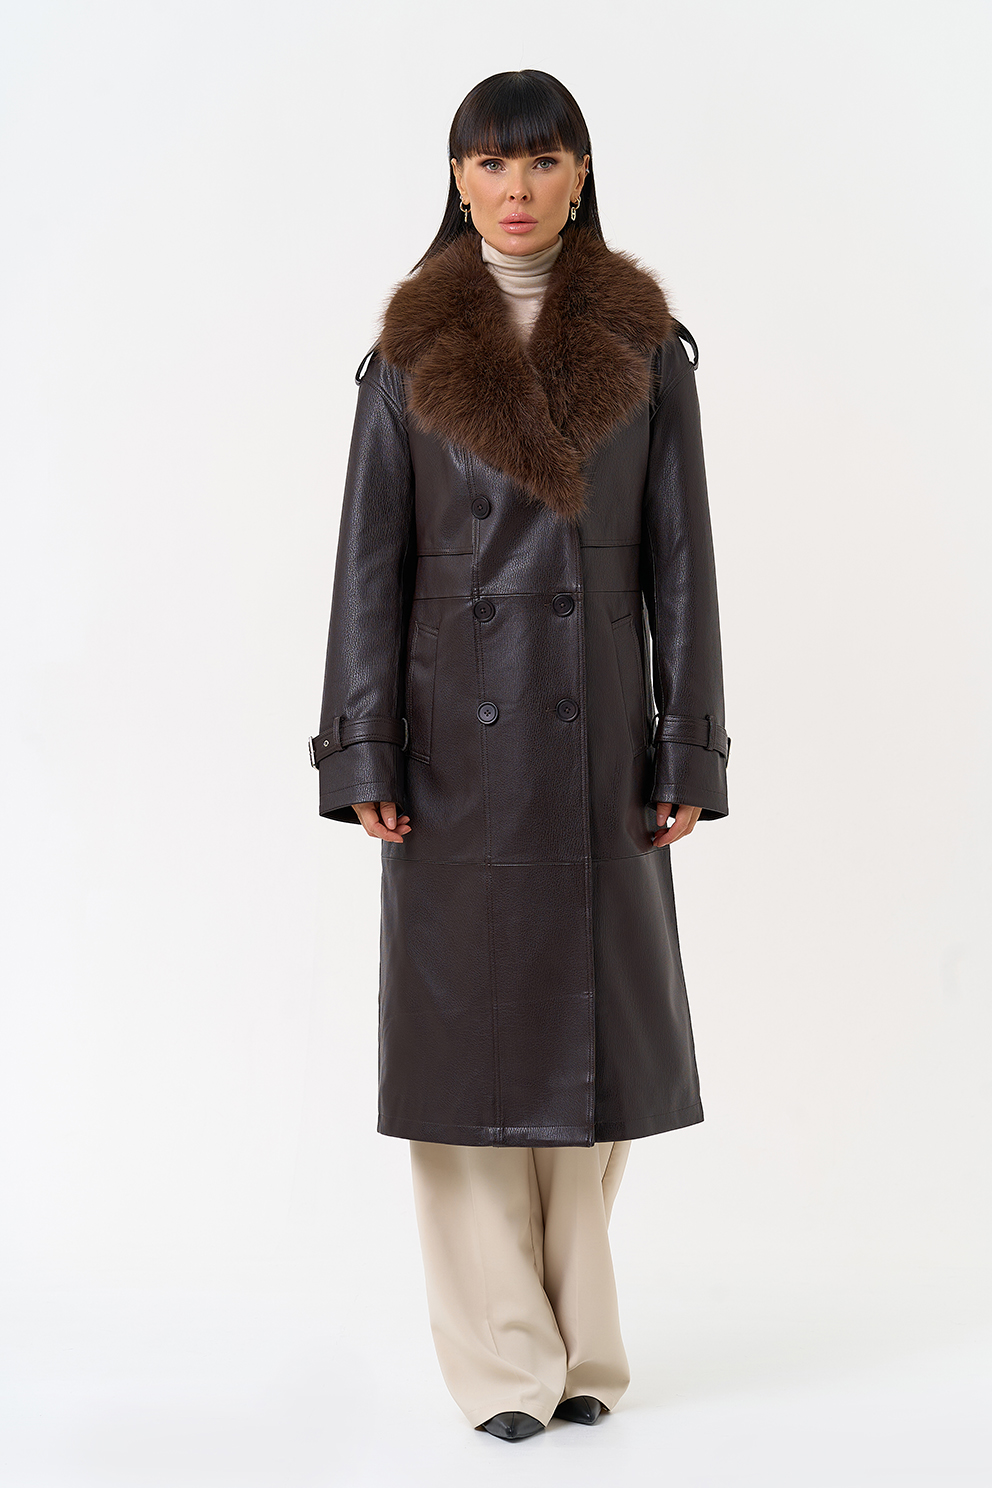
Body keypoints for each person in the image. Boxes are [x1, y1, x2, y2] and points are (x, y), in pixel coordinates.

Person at [310, 69, 730, 1442]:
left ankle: (584, 1348)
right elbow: (367, 567)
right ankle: (505, 1365)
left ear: (581, 173)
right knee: (465, 1066)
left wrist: (687, 746)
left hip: (598, 743)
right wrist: (363, 746)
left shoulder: (647, 346)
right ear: (456, 178)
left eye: (541, 161)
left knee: (594, 1067)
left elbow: (683, 564)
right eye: (490, 164)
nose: (515, 189)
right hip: (457, 752)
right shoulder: (408, 350)